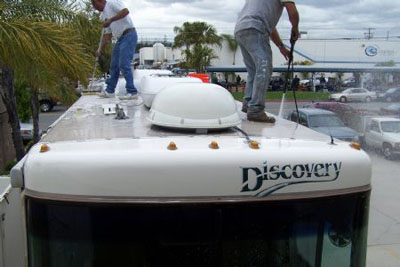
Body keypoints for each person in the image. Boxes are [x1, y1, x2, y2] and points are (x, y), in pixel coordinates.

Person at [235, 0, 299, 123]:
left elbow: (271, 28)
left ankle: (248, 103)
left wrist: (281, 47)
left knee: (254, 70)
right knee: (264, 68)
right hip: (255, 27)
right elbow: (292, 10)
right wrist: (295, 28)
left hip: (241, 29)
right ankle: (256, 110)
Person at [92, 0, 138, 100]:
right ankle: (110, 91)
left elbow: (125, 11)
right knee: (114, 65)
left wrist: (111, 20)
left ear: (99, 1)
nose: (95, 8)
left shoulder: (112, 3)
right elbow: (108, 36)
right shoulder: (104, 15)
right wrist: (100, 49)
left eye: (94, 5)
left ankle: (132, 92)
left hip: (129, 34)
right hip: (120, 38)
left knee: (124, 64)